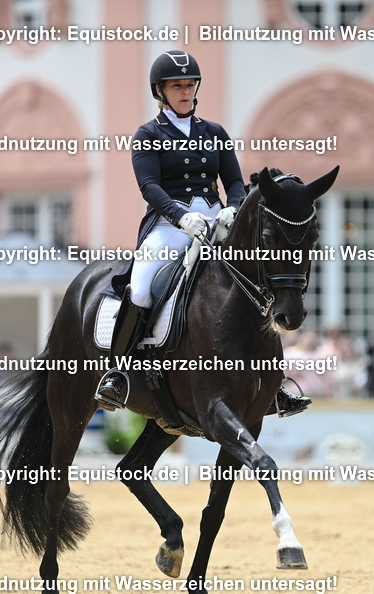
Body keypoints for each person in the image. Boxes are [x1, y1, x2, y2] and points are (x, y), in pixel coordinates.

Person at [96, 50, 311, 417]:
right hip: (169, 226)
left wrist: (233, 207)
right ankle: (119, 373)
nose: (185, 92)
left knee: (257, 278)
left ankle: (272, 382)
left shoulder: (214, 133)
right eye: (176, 86)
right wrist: (181, 217)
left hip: (217, 222)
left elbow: (234, 181)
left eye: (190, 85)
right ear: (160, 91)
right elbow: (149, 186)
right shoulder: (149, 134)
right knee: (142, 286)